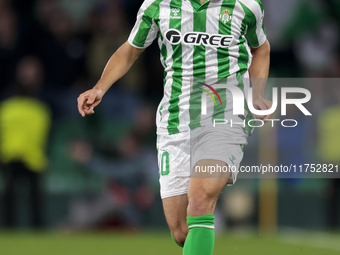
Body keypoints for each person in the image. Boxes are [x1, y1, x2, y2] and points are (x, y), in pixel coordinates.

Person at [78, 0, 271, 254]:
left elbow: (261, 48)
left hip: (226, 114)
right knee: (181, 231)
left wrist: (256, 94)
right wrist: (99, 87)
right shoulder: (157, 5)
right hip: (175, 119)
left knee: (200, 200)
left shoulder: (246, 6)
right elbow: (130, 50)